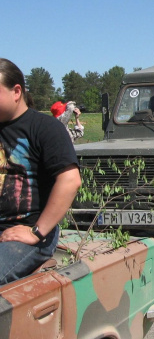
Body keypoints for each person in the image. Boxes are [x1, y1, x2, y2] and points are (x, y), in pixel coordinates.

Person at [0, 58, 81, 285]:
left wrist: (35, 232)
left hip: (26, 236)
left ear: (16, 91)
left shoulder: (45, 128)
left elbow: (70, 181)